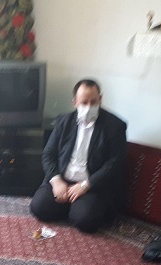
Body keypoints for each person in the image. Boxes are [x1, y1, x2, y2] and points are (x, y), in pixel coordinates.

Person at [30, 79, 127, 233]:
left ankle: (74, 207)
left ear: (100, 100)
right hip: (62, 179)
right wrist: (56, 181)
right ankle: (71, 205)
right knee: (38, 208)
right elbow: (48, 154)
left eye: (93, 102)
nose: (89, 107)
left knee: (85, 221)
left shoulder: (115, 126)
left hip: (91, 185)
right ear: (75, 102)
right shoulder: (63, 122)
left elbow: (114, 163)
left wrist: (84, 186)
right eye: (84, 102)